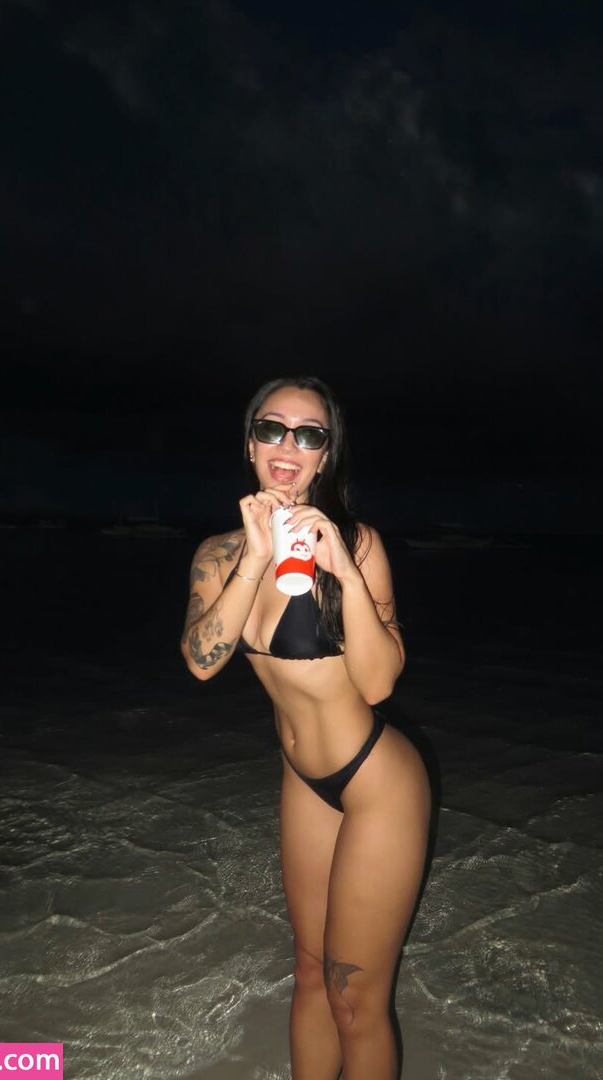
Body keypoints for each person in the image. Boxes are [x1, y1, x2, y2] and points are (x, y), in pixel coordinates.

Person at [181, 376, 430, 1080]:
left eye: (309, 434)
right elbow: (202, 662)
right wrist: (258, 556)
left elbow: (379, 684)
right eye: (272, 428)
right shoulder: (219, 555)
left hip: (377, 782)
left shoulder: (357, 544)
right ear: (250, 444)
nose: (288, 445)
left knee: (356, 997)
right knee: (312, 970)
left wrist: (343, 572)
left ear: (325, 455)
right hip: (303, 778)